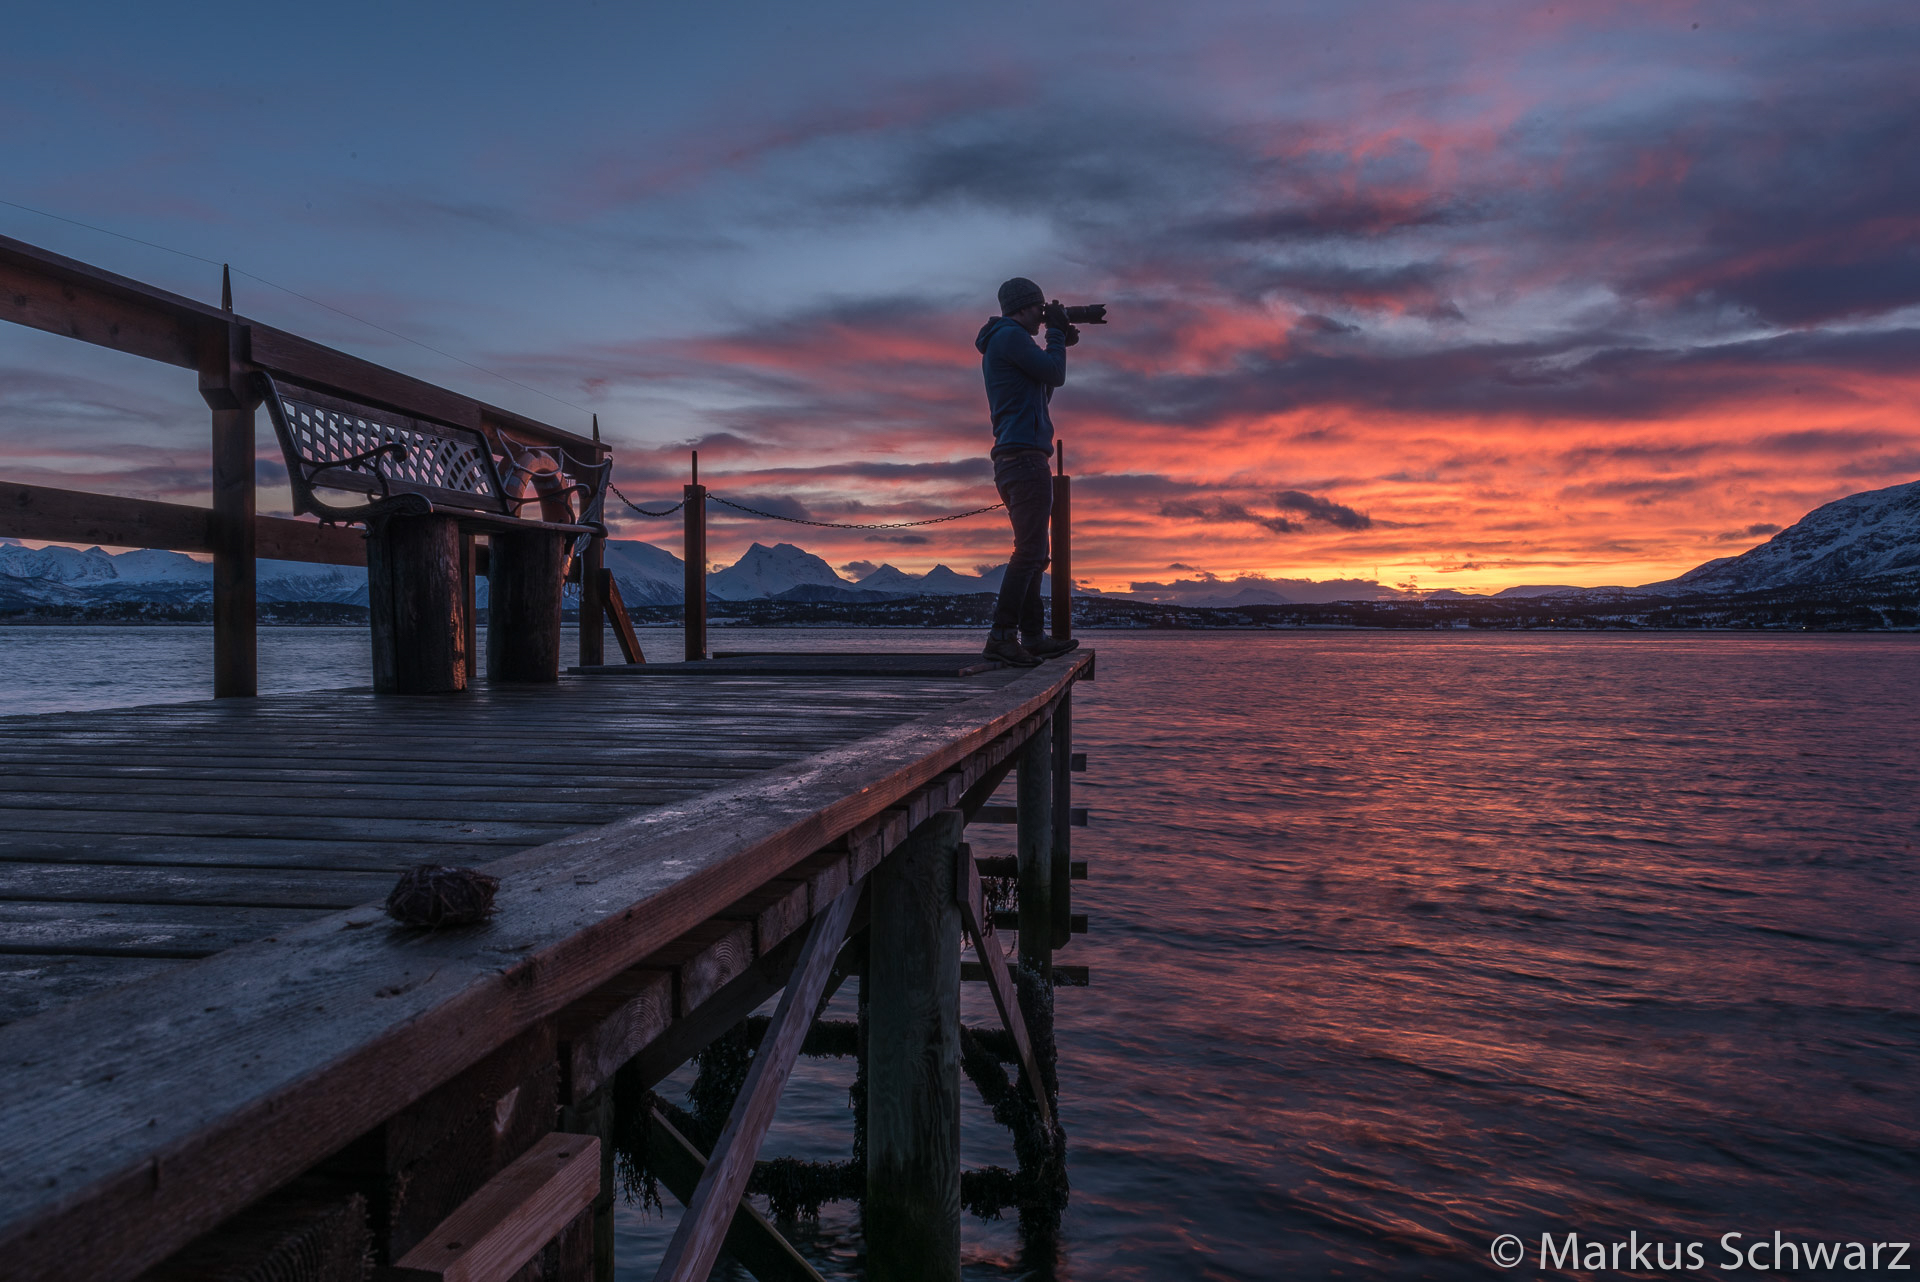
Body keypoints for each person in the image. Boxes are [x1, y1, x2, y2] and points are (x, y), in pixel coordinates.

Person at [975, 277, 1082, 666]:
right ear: (1023, 307)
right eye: (1039, 309)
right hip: (1023, 459)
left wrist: (1058, 342)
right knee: (1031, 551)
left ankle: (1033, 636)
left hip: (1020, 458)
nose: (1042, 315)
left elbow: (1044, 389)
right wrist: (1055, 333)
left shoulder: (1008, 341)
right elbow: (1056, 375)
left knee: (1037, 552)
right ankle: (1002, 636)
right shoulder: (1009, 337)